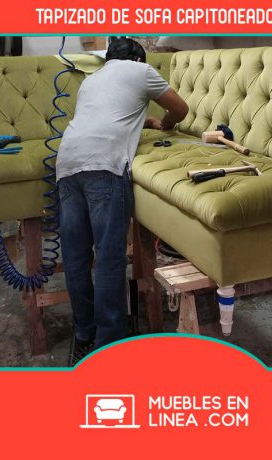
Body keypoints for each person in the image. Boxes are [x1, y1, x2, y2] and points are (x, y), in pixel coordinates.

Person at [56, 38, 188, 366]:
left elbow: (110, 115)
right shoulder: (140, 70)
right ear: (139, 58)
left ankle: (84, 333)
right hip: (105, 166)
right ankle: (110, 342)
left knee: (76, 257)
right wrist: (165, 124)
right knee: (109, 259)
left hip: (67, 164)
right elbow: (180, 109)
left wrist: (146, 121)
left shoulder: (91, 80)